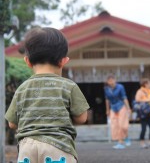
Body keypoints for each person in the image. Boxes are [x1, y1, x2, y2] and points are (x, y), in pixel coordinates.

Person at [5, 27, 90, 163]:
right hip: (58, 146)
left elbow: (11, 124)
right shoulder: (69, 86)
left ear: (27, 61)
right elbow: (82, 118)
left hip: (27, 147)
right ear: (63, 60)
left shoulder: (22, 88)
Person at [104, 75, 131, 149]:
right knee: (115, 125)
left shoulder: (120, 87)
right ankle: (120, 142)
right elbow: (107, 99)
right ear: (107, 82)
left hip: (121, 106)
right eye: (109, 80)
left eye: (112, 79)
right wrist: (107, 110)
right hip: (113, 107)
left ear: (115, 80)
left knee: (123, 125)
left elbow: (124, 97)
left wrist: (128, 108)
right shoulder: (106, 89)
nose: (111, 81)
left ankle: (127, 137)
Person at [135, 78, 150, 149]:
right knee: (144, 128)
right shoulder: (140, 91)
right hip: (143, 113)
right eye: (149, 83)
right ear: (145, 84)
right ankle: (142, 142)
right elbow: (137, 99)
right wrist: (147, 100)